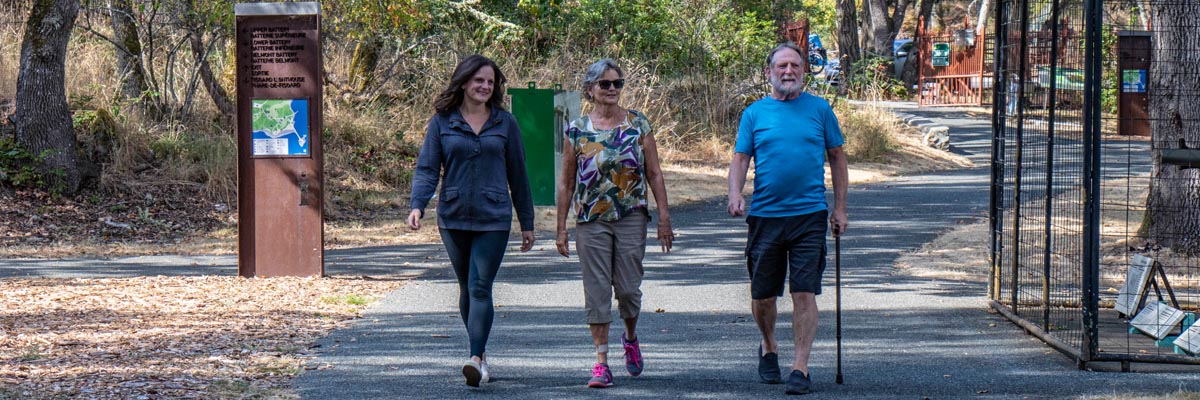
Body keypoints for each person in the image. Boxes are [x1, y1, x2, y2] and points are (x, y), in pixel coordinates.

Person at [408, 54, 536, 388]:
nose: (484, 86)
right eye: (479, 80)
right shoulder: (442, 122)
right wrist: (418, 205)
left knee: (481, 285)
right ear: (464, 82)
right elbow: (427, 167)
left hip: (493, 217)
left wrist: (527, 221)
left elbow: (519, 174)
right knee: (466, 284)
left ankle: (476, 359)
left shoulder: (505, 123)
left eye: (490, 82)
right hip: (453, 216)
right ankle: (478, 354)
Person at [727, 43, 848, 396]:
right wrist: (735, 193)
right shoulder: (754, 114)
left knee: (803, 291)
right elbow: (740, 159)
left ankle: (801, 366)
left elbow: (837, 158)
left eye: (795, 65)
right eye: (782, 66)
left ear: (803, 71)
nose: (789, 71)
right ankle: (769, 346)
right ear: (770, 72)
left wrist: (840, 208)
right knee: (763, 294)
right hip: (766, 215)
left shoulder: (820, 109)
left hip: (809, 215)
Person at [554, 58, 674, 389]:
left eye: (617, 83)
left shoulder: (638, 124)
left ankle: (631, 338)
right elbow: (565, 182)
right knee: (596, 291)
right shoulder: (576, 129)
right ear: (589, 89)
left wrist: (664, 217)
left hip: (631, 216)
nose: (611, 89)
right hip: (591, 220)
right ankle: (601, 362)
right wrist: (562, 227)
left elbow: (654, 173)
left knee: (628, 289)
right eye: (604, 84)